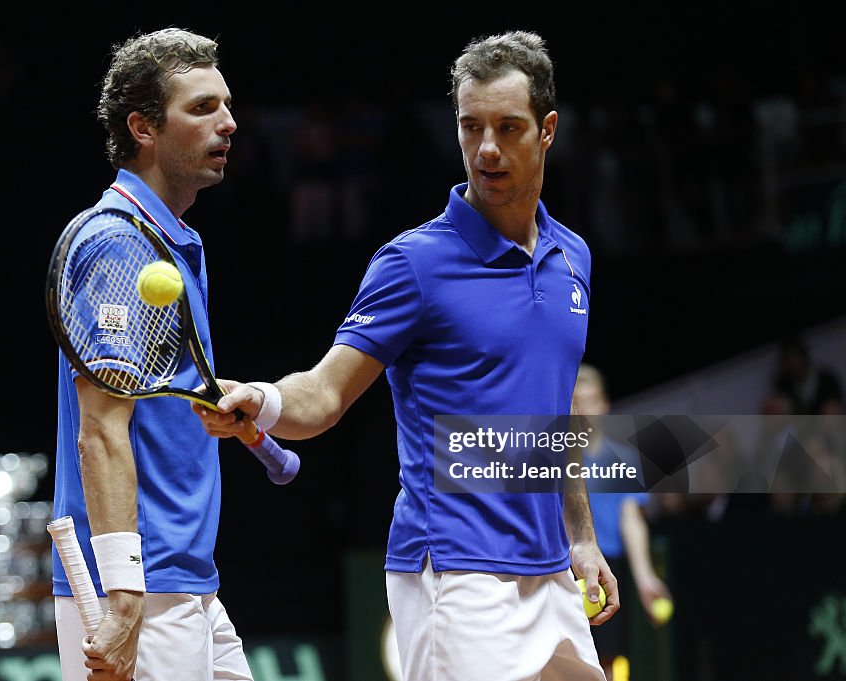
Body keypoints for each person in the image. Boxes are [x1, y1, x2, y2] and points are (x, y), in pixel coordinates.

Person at [196, 30, 616, 681]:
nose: (486, 148)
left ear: (548, 130)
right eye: (470, 126)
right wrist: (268, 399)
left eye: (507, 127)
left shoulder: (573, 258)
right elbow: (328, 392)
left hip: (551, 573)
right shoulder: (414, 264)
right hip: (456, 575)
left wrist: (582, 537)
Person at [51, 28, 252, 681]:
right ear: (142, 127)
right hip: (144, 588)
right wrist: (126, 595)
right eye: (201, 108)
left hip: (188, 581)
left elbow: (152, 397)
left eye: (224, 104)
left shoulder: (174, 240)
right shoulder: (117, 244)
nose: (228, 122)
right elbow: (101, 431)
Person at [572, 364, 673, 680]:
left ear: (604, 406)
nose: (584, 410)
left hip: (608, 572)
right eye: (576, 402)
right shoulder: (551, 459)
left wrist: (645, 578)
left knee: (609, 664)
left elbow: (632, 521)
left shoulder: (625, 461)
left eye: (590, 401)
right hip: (564, 569)